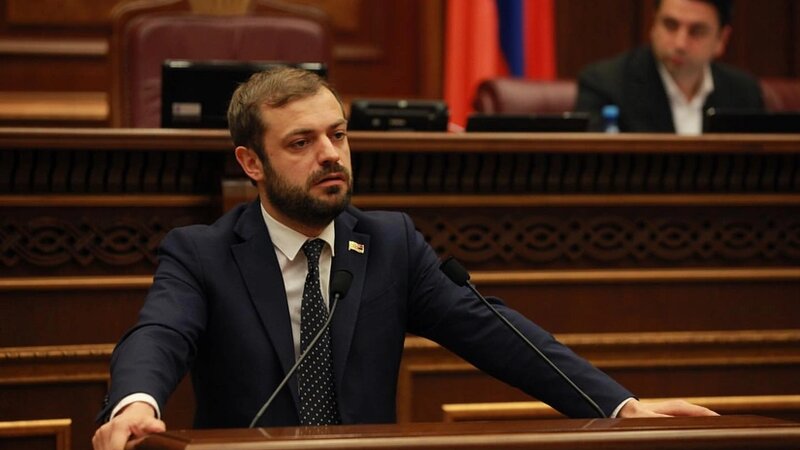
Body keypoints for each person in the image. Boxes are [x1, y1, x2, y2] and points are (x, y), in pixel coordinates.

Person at [92, 66, 715, 450]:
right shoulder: (203, 252)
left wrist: (618, 405)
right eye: (301, 142)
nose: (330, 154)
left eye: (338, 134)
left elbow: (494, 332)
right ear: (251, 163)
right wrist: (138, 401)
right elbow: (158, 333)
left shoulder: (389, 243)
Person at [574, 0, 764, 134]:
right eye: (670, 25)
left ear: (721, 39)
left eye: (696, 31)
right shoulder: (605, 86)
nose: (680, 44)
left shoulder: (744, 93)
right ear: (654, 25)